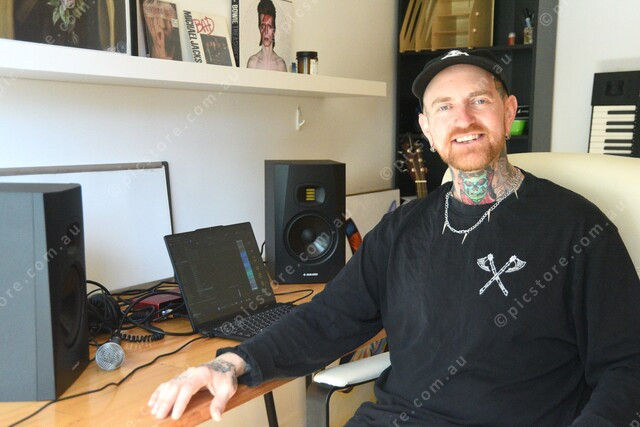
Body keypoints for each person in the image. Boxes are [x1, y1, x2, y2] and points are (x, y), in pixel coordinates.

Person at [148, 50, 640, 425]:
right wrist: (234, 363)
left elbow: (627, 365)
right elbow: (327, 319)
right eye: (444, 107)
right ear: (426, 128)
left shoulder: (579, 229)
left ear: (508, 112)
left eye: (479, 101)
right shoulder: (401, 230)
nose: (463, 119)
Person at [246, 0, 287, 71]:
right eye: (263, 26)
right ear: (259, 28)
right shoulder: (253, 63)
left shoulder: (280, 65)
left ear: (274, 30)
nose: (266, 31)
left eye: (269, 26)